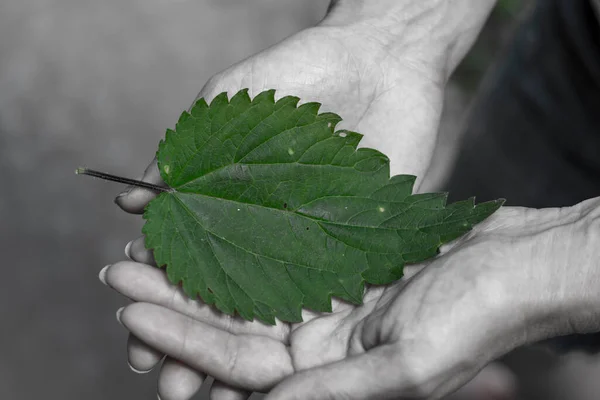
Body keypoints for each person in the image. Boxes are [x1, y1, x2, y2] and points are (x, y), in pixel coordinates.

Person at [100, 0, 600, 399]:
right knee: (494, 224)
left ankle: (508, 356)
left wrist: (558, 269)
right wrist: (399, 28)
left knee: (541, 318)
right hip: (582, 55)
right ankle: (506, 362)